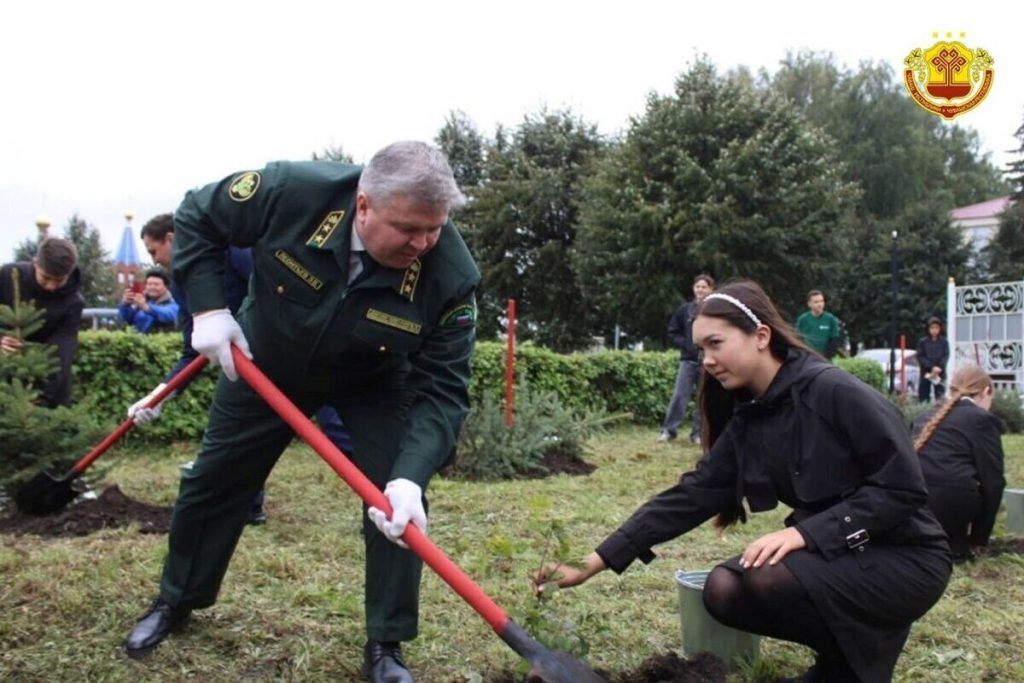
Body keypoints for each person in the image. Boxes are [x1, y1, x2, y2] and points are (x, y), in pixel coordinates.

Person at [122, 142, 479, 683]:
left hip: (374, 381)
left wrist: (411, 474)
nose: (423, 243)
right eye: (408, 228)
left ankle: (387, 643)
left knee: (397, 507)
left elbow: (444, 391)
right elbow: (198, 213)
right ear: (363, 205)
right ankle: (178, 599)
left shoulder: (451, 277)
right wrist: (210, 308)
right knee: (214, 481)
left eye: (434, 228)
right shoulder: (293, 193)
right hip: (266, 359)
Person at [536, 280, 952, 682]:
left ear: (761, 335)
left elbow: (903, 489)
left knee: (766, 576)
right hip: (841, 556)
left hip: (906, 557)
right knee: (724, 589)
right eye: (700, 349)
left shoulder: (834, 392)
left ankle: (851, 664)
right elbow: (691, 496)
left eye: (716, 344)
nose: (707, 361)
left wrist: (807, 533)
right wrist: (591, 562)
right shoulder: (751, 416)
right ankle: (841, 668)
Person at [127, 213, 352, 526]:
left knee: (337, 425)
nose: (155, 260)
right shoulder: (181, 281)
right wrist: (161, 394)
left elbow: (275, 287)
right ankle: (249, 507)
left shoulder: (232, 250)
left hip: (300, 348)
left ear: (170, 238)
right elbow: (193, 350)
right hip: (250, 365)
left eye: (154, 251)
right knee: (242, 435)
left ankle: (389, 497)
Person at [912, 365, 1005, 563]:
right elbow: (993, 484)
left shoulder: (924, 417)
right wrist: (980, 538)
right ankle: (959, 545)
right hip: (951, 505)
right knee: (965, 486)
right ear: (986, 392)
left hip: (914, 505)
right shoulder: (982, 420)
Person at [0, 238, 84, 407]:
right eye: (46, 278)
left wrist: (42, 395)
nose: (51, 286)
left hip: (45, 379)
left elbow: (61, 353)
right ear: (35, 263)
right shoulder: (9, 276)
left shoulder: (74, 303)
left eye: (59, 281)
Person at [658, 273, 714, 444]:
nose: (700, 290)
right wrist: (687, 344)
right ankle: (669, 431)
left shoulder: (715, 311)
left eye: (704, 287)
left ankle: (698, 434)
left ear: (711, 289)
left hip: (707, 361)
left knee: (703, 399)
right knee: (679, 396)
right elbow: (672, 332)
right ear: (693, 288)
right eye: (698, 286)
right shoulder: (684, 310)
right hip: (688, 360)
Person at [118, 267, 179, 333]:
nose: (152, 287)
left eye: (156, 284)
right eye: (149, 284)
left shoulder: (173, 303)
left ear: (166, 286)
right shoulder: (140, 302)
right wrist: (125, 304)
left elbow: (167, 315)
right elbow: (126, 318)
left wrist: (147, 308)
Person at [795, 289, 843, 359]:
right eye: (816, 302)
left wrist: (826, 356)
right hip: (806, 358)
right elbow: (798, 339)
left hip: (825, 359)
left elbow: (834, 341)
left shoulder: (831, 319)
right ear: (809, 304)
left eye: (821, 301)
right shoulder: (802, 320)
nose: (820, 304)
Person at [916, 316, 949, 403]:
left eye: (936, 328)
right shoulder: (923, 342)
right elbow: (920, 356)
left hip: (939, 373)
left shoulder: (944, 342)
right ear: (928, 329)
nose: (934, 330)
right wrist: (931, 367)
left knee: (940, 396)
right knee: (924, 396)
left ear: (940, 329)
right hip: (926, 373)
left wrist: (939, 367)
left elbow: (946, 355)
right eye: (932, 328)